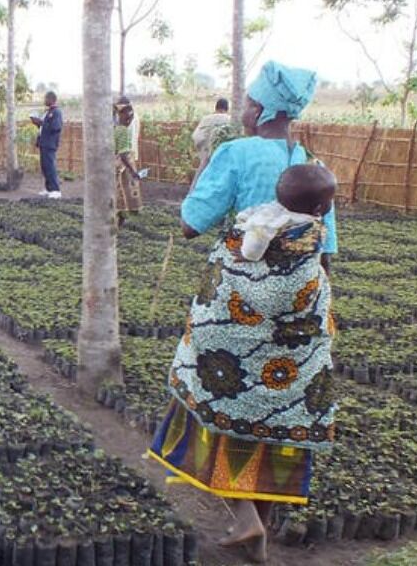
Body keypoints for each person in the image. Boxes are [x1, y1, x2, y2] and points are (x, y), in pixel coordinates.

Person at [148, 61, 336, 564]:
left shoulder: (234, 153)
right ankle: (257, 523)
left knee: (220, 395)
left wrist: (203, 180)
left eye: (250, 103)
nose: (245, 111)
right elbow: (326, 250)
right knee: (277, 410)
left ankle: (245, 516)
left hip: (237, 311)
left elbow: (191, 223)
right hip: (298, 316)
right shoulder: (313, 167)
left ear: (263, 110)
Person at [236, 164, 336, 262]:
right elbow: (257, 236)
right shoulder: (271, 221)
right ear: (317, 209)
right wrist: (250, 256)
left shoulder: (271, 214)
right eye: (330, 199)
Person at [113, 96, 143, 223]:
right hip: (125, 154)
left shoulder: (121, 125)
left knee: (124, 184)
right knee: (127, 183)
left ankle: (126, 209)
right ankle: (128, 210)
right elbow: (123, 151)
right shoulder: (128, 122)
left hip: (124, 153)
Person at [30, 91, 64, 199]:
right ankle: (49, 188)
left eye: (46, 98)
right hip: (44, 142)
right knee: (45, 166)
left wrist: (41, 123)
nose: (44, 100)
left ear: (51, 99)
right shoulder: (48, 112)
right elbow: (45, 127)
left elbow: (56, 127)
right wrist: (38, 123)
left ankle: (55, 190)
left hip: (50, 143)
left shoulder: (56, 112)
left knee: (50, 166)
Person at [192, 98, 232, 184]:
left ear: (216, 107)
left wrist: (203, 150)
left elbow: (197, 137)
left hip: (207, 157)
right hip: (225, 158)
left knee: (201, 179)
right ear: (227, 108)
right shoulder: (230, 120)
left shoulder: (206, 119)